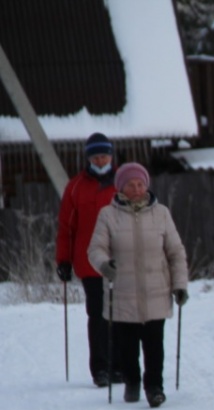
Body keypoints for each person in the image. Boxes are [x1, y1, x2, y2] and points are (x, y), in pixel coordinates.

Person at [88, 162, 189, 408]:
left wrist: (180, 285)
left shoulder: (161, 213)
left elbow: (175, 251)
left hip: (157, 289)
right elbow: (96, 248)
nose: (136, 188)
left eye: (140, 184)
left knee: (155, 345)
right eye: (131, 184)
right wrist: (104, 265)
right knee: (127, 346)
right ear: (121, 187)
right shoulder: (108, 215)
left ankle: (155, 387)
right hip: (123, 291)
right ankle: (132, 382)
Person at [56, 132, 119, 386]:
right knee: (98, 314)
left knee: (122, 315)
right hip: (90, 262)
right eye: (96, 156)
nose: (101, 160)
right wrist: (63, 260)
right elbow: (66, 227)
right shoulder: (76, 186)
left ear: (111, 157)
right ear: (88, 158)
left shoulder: (123, 182)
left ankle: (121, 366)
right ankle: (101, 368)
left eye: (104, 155)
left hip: (120, 260)